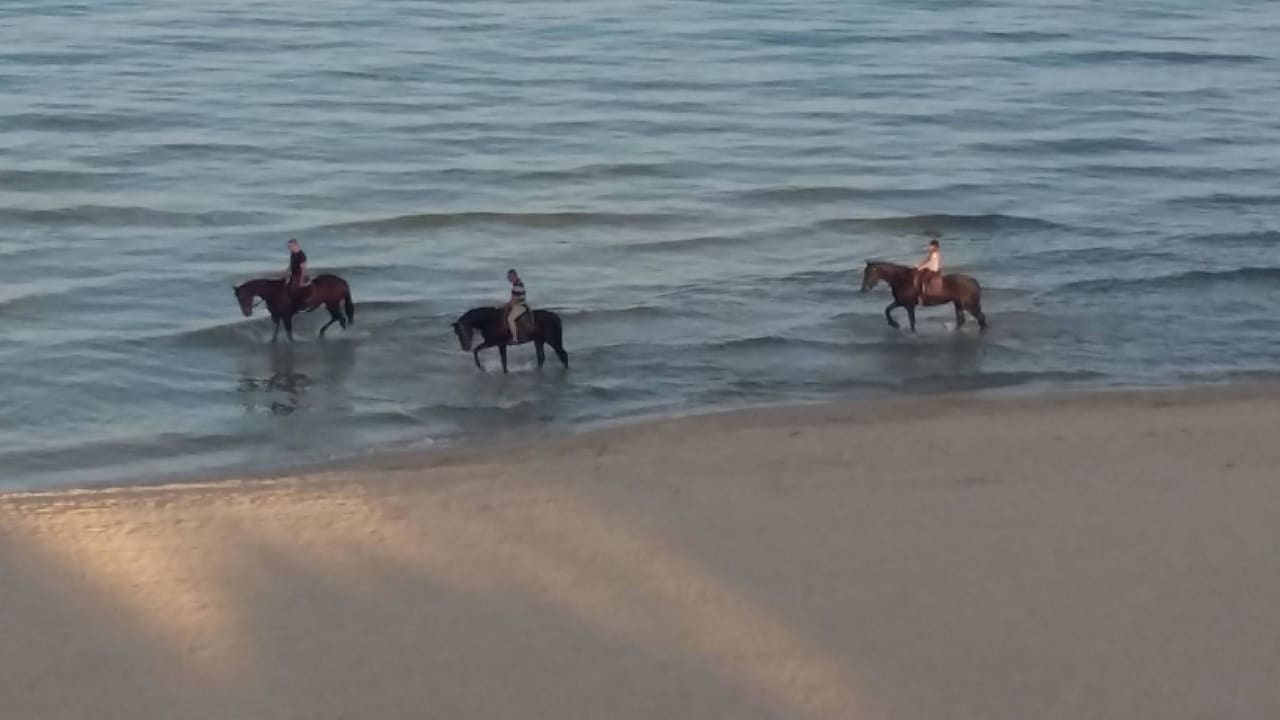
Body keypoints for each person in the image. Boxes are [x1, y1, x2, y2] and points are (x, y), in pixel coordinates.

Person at [504, 269, 529, 342]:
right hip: (517, 304)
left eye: (510, 277)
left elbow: (514, 300)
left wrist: (506, 305)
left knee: (510, 318)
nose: (508, 278)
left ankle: (515, 338)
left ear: (514, 276)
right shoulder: (516, 284)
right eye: (508, 277)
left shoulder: (517, 285)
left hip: (520, 305)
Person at [914, 237, 942, 302]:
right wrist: (920, 265)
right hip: (932, 269)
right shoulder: (934, 253)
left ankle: (923, 295)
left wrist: (920, 267)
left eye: (931, 246)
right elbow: (928, 261)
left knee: (923, 279)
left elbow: (929, 262)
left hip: (932, 270)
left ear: (934, 246)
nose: (929, 247)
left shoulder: (933, 253)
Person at [284, 238, 311, 305]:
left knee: (294, 289)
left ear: (296, 245)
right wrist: (287, 271)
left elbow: (303, 269)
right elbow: (291, 263)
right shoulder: (293, 253)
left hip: (299, 275)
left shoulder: (301, 255)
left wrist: (301, 281)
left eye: (290, 246)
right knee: (284, 285)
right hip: (293, 274)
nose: (289, 247)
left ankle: (301, 303)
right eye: (288, 246)